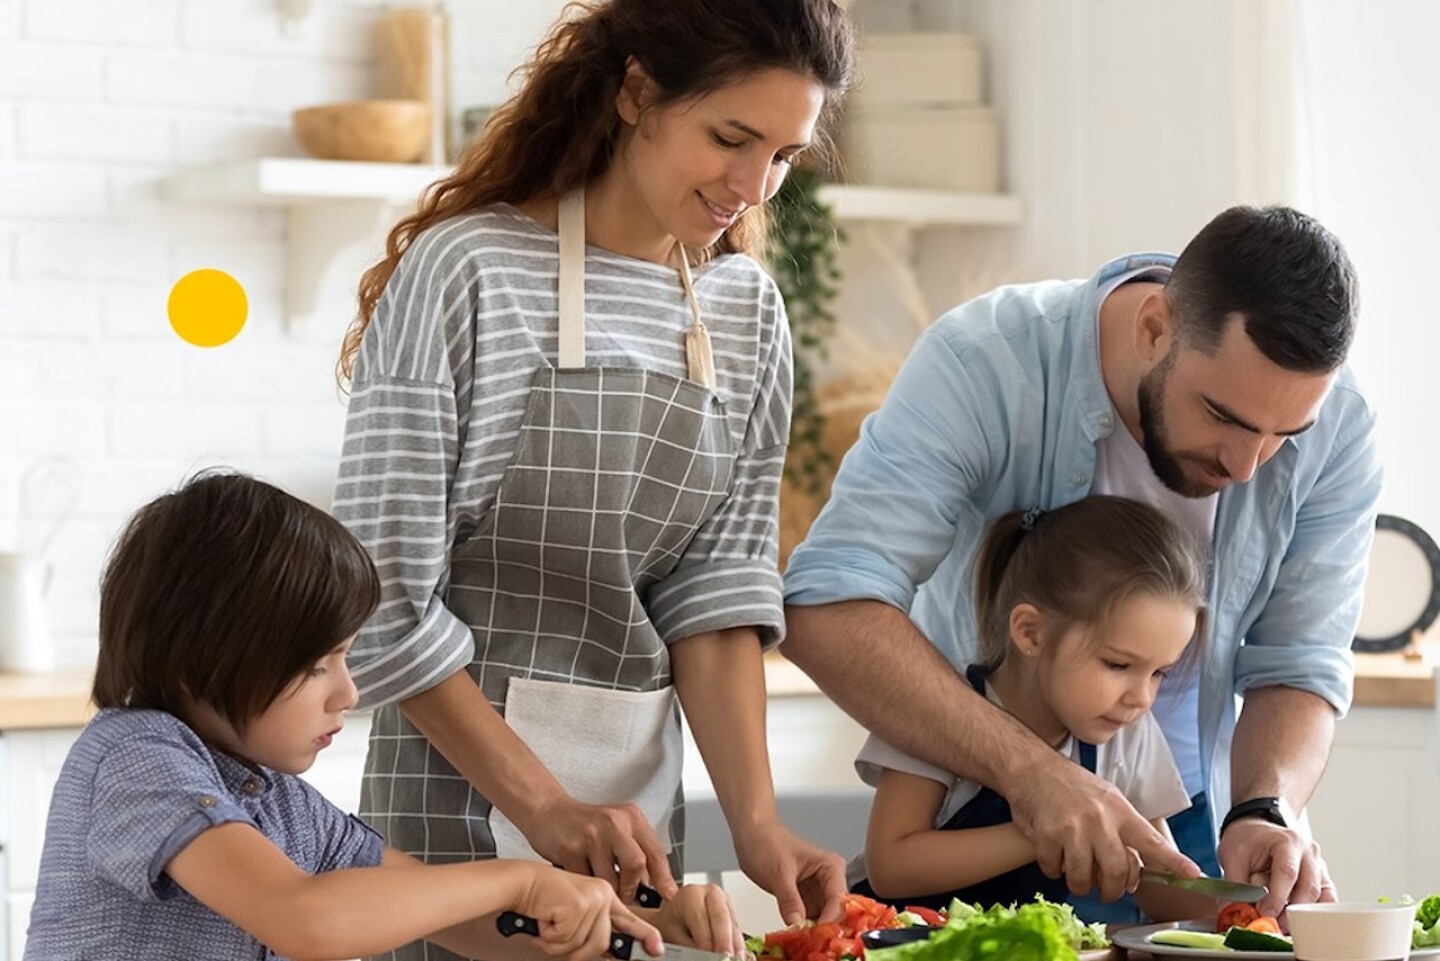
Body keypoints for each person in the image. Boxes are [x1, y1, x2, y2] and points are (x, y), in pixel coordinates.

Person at [331, 1, 856, 953]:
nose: (753, 184)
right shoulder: (471, 271)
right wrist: (546, 804)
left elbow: (716, 591)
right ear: (636, 92)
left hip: (639, 835)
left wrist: (757, 824)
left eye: (782, 155)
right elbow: (385, 598)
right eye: (730, 137)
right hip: (455, 818)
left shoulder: (746, 315)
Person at [783, 205, 1381, 919]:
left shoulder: (1342, 425)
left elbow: (1300, 660)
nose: (1247, 464)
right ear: (1155, 325)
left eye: (1286, 434)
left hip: (1188, 816)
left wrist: (1266, 806)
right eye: (1224, 415)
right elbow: (826, 604)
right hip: (973, 774)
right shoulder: (985, 360)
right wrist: (1034, 773)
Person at [24, 471, 744, 961]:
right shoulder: (136, 756)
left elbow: (462, 922)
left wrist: (644, 926)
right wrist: (519, 880)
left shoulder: (284, 806)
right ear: (196, 664)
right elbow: (306, 917)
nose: (349, 692)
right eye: (315, 667)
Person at [849, 496, 1215, 923]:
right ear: (1030, 633)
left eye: (1160, 674)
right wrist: (1048, 828)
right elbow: (892, 867)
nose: (1141, 698)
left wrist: (1245, 904)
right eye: (1118, 664)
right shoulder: (937, 711)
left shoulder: (1130, 733)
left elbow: (1164, 891)